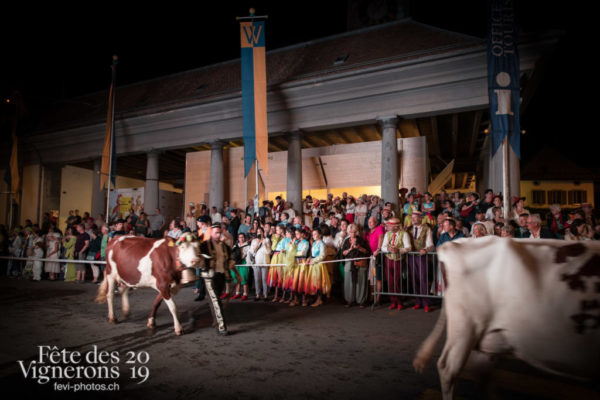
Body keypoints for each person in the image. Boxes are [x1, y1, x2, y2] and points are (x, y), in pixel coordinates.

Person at [197, 224, 234, 336]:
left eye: (219, 233)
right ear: (211, 233)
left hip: (221, 275)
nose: (218, 235)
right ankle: (221, 326)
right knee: (215, 300)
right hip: (209, 276)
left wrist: (232, 265)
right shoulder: (204, 245)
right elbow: (198, 256)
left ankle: (216, 319)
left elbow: (231, 259)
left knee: (216, 300)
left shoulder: (225, 247)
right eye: (216, 233)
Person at [381, 218, 412, 310]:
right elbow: (383, 247)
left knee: (397, 281)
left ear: (396, 226)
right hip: (388, 259)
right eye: (389, 226)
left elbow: (409, 247)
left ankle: (399, 301)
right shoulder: (387, 234)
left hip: (399, 260)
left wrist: (399, 250)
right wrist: (388, 249)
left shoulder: (404, 234)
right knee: (390, 281)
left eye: (390, 226)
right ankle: (393, 301)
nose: (389, 227)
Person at [408, 213, 434, 312]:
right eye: (412, 217)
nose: (413, 219)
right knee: (414, 279)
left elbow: (430, 243)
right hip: (411, 256)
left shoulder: (426, 229)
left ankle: (426, 303)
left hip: (422, 257)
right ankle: (418, 301)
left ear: (420, 218)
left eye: (415, 217)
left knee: (423, 278)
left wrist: (426, 250)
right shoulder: (408, 229)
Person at [341, 223, 371, 308]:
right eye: (350, 232)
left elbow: (367, 252)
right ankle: (349, 300)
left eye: (354, 232)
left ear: (357, 232)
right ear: (348, 232)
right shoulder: (346, 241)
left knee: (360, 282)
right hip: (349, 263)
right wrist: (350, 249)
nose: (352, 234)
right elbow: (343, 253)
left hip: (360, 262)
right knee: (349, 282)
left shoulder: (361, 240)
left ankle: (361, 301)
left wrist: (359, 248)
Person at [306, 228, 332, 307]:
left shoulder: (322, 244)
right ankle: (315, 298)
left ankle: (319, 299)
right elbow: (312, 254)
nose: (313, 236)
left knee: (318, 282)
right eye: (313, 234)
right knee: (313, 281)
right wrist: (309, 259)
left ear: (320, 235)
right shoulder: (314, 243)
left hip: (318, 265)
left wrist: (313, 260)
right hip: (313, 264)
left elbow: (322, 255)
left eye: (315, 234)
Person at [364, 216, 385, 306]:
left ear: (376, 223)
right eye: (369, 222)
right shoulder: (368, 233)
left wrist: (378, 249)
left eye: (371, 222)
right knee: (372, 277)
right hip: (371, 256)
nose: (370, 223)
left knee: (378, 278)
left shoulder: (379, 228)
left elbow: (381, 238)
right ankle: (372, 297)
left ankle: (378, 298)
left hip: (378, 255)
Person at [288, 228, 310, 307]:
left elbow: (303, 252)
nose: (296, 235)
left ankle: (304, 299)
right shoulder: (295, 242)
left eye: (297, 233)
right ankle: (296, 299)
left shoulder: (306, 242)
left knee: (302, 280)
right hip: (295, 262)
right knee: (294, 281)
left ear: (302, 234)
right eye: (295, 233)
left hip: (302, 262)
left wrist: (294, 252)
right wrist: (292, 245)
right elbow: (290, 252)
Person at [248, 226, 271, 301]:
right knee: (257, 279)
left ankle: (265, 295)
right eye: (257, 232)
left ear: (263, 232)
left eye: (260, 232)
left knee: (264, 279)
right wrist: (256, 244)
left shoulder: (267, 240)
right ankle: (257, 294)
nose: (259, 233)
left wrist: (265, 244)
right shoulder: (254, 241)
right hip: (256, 263)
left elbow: (269, 252)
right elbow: (251, 251)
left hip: (264, 262)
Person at [231, 233, 250, 300]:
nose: (241, 239)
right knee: (236, 278)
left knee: (243, 277)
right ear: (238, 238)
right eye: (239, 237)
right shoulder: (235, 246)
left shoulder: (247, 246)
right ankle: (237, 293)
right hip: (236, 263)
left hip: (243, 262)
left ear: (244, 238)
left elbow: (246, 254)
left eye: (242, 237)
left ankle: (245, 294)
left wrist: (241, 254)